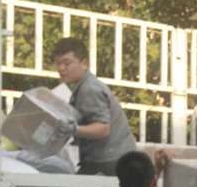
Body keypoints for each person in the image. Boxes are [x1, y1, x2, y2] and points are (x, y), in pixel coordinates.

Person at [52, 37, 136, 176]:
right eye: (58, 63)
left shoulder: (89, 89)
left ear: (84, 64)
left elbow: (103, 129)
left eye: (67, 63)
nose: (61, 68)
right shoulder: (83, 86)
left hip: (110, 161)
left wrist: (73, 130)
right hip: (111, 158)